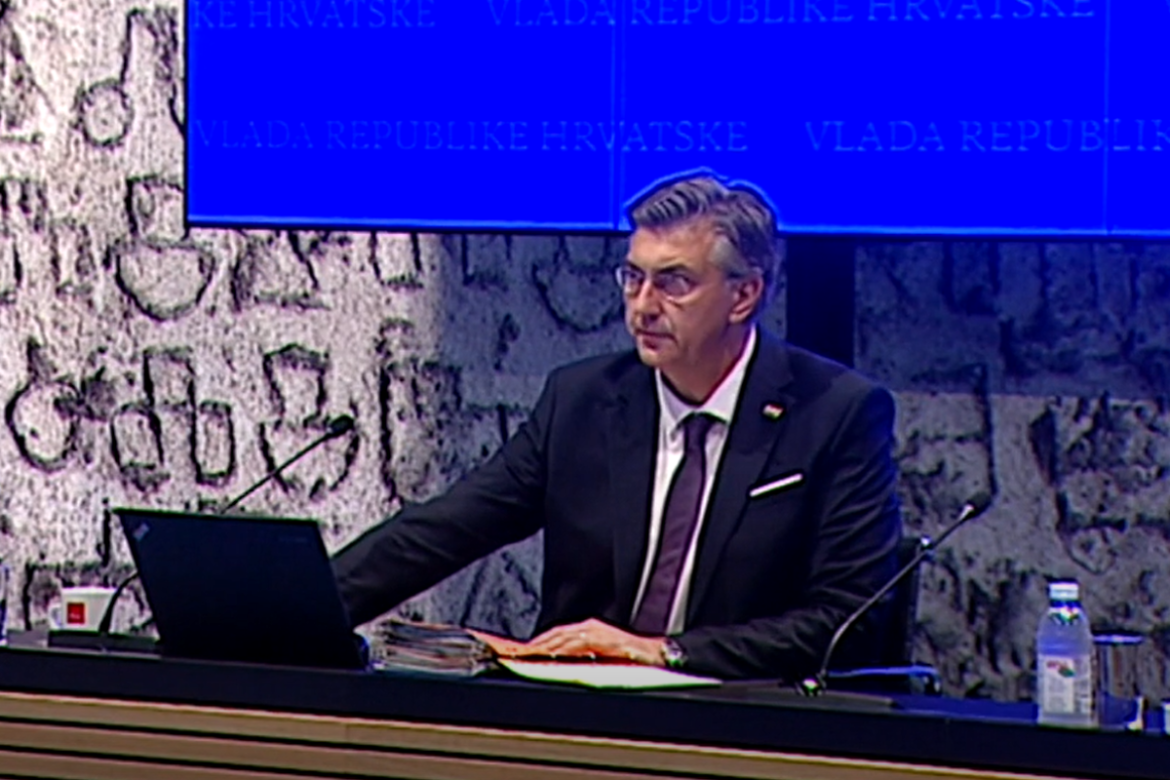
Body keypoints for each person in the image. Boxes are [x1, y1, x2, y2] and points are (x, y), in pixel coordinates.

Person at [331, 173, 900, 680]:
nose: (643, 306)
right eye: (633, 277)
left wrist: (665, 652)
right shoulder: (584, 401)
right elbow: (443, 531)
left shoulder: (835, 413)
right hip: (582, 716)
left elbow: (847, 621)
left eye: (674, 282)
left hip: (742, 717)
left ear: (743, 295)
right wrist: (308, 613)